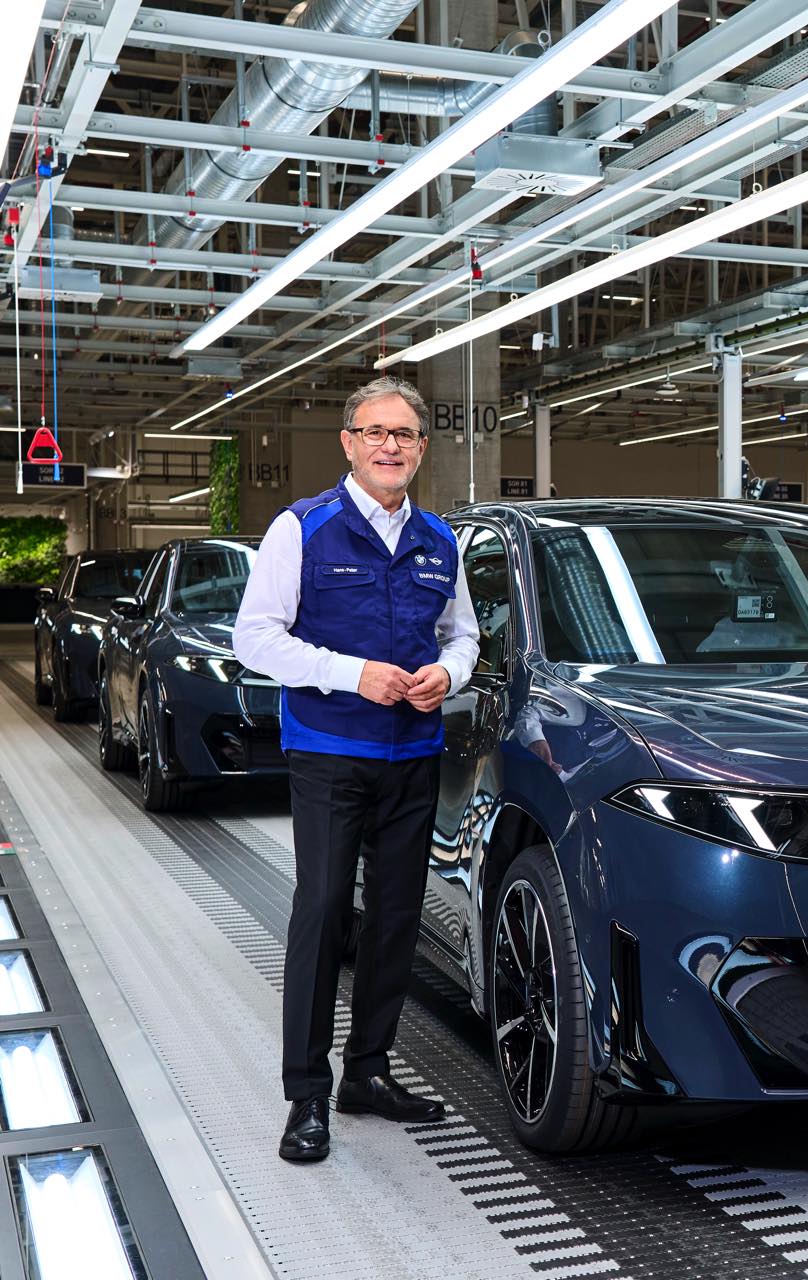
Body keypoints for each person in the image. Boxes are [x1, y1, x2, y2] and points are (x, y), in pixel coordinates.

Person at [234, 375, 479, 1163]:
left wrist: (450, 673)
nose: (389, 446)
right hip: (329, 751)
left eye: (403, 434)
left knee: (397, 918)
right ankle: (307, 1094)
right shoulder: (301, 528)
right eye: (375, 432)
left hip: (414, 755)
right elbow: (255, 638)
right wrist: (351, 675)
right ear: (349, 442)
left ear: (421, 448)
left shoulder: (439, 540)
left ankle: (368, 1072)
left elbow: (463, 635)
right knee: (324, 911)